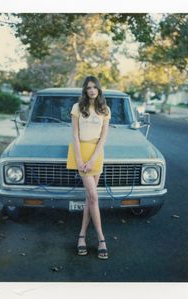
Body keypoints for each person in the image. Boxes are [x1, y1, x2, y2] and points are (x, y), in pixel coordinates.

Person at [70, 76, 111, 259]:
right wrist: (79, 159)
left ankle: (82, 237)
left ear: (99, 89)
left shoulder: (105, 109)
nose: (92, 90)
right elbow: (75, 135)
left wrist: (94, 158)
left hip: (96, 154)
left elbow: (103, 138)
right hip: (81, 152)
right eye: (89, 88)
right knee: (94, 196)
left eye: (95, 87)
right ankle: (102, 238)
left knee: (90, 198)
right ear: (85, 91)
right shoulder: (78, 108)